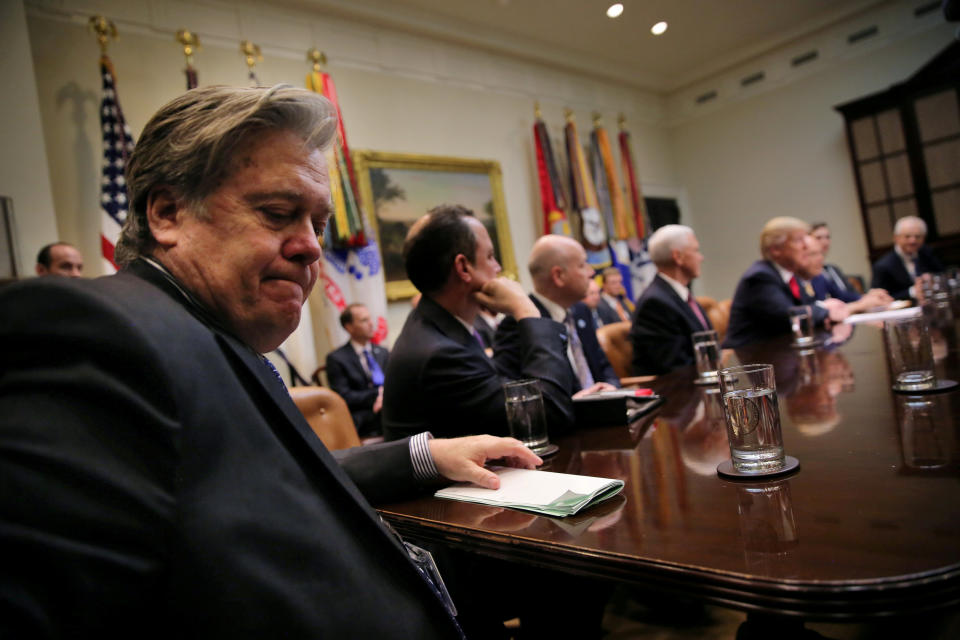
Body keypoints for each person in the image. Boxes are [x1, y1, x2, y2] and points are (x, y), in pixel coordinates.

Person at [0, 85, 543, 639]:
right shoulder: (98, 333)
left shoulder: (202, 333)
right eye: (279, 213)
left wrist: (426, 455)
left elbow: (250, 475)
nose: (310, 248)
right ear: (167, 213)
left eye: (318, 224)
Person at [382, 205, 575, 442]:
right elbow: (548, 417)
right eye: (491, 257)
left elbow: (499, 386)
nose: (498, 268)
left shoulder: (436, 326)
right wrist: (526, 310)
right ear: (464, 267)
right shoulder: (439, 354)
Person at [494, 234, 620, 391]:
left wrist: (612, 387)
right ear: (559, 276)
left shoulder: (581, 310)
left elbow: (602, 364)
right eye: (582, 265)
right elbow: (515, 389)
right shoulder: (520, 322)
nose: (591, 272)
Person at [725, 217, 847, 348]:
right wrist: (825, 309)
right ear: (776, 249)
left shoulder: (789, 275)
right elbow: (789, 317)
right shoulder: (760, 277)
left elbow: (805, 307)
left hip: (777, 353)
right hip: (747, 359)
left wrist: (821, 309)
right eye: (799, 240)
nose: (806, 246)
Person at [629, 224, 712, 376]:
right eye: (695, 250)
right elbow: (675, 368)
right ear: (678, 257)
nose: (701, 257)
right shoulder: (655, 303)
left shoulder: (679, 294)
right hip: (679, 393)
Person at [325, 303, 390, 438]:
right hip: (363, 416)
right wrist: (378, 395)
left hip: (388, 408)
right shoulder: (337, 358)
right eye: (364, 320)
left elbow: (395, 381)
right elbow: (344, 396)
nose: (371, 324)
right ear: (349, 327)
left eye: (370, 319)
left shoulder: (383, 352)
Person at [798, 235, 892, 314]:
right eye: (814, 254)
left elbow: (842, 296)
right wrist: (857, 305)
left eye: (821, 253)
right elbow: (814, 312)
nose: (821, 259)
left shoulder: (819, 277)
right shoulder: (795, 282)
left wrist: (869, 297)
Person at [871, 216, 944, 300]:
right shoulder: (883, 266)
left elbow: (942, 275)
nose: (913, 241)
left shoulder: (928, 254)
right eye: (907, 236)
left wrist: (933, 278)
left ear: (923, 238)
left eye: (917, 236)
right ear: (896, 238)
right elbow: (878, 297)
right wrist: (912, 292)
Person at [809, 222, 859, 302]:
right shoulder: (808, 272)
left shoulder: (833, 269)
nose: (825, 242)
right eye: (818, 238)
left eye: (827, 237)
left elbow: (847, 294)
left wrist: (866, 298)